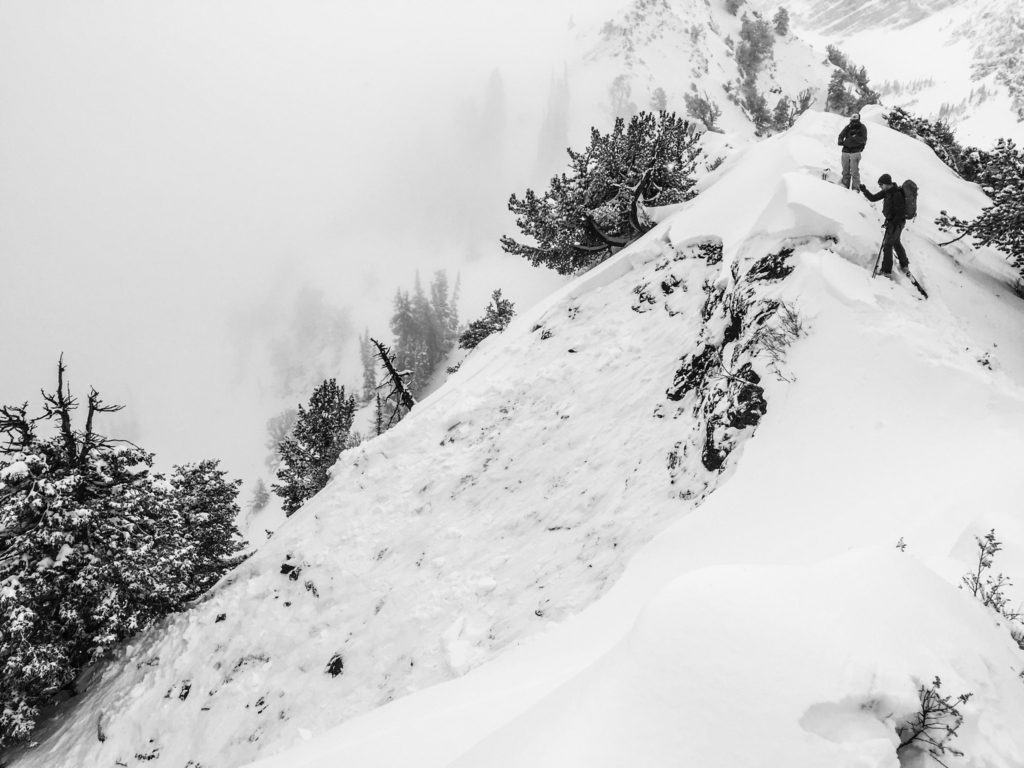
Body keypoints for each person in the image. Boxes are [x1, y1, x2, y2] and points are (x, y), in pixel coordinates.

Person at [859, 174, 909, 275]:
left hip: (897, 223)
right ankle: (904, 264)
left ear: (886, 183)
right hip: (892, 222)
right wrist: (864, 190)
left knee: (888, 245)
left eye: (881, 184)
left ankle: (886, 271)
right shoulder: (886, 192)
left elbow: (900, 212)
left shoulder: (897, 194)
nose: (880, 187)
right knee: (896, 242)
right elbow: (873, 198)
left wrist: (892, 223)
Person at [837, 113, 867, 190]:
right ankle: (844, 187)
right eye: (852, 119)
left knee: (854, 172)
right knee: (845, 171)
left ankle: (855, 190)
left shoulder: (862, 127)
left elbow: (864, 139)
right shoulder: (848, 127)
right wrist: (841, 141)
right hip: (846, 151)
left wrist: (855, 137)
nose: (853, 120)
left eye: (855, 119)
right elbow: (841, 135)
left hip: (855, 152)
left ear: (858, 119)